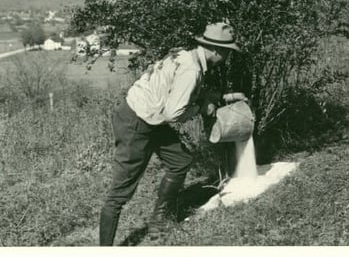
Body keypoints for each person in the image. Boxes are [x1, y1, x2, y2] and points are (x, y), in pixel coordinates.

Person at [99, 22, 245, 246]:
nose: (226, 57)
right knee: (121, 192)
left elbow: (183, 93)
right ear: (217, 50)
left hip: (150, 118)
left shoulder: (187, 56)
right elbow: (174, 113)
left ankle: (158, 223)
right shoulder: (193, 69)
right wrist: (202, 109)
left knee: (180, 160)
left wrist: (225, 97)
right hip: (135, 122)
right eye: (226, 52)